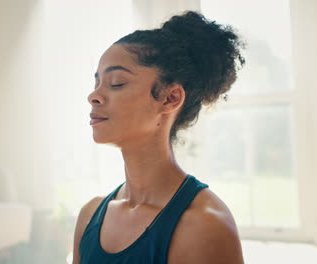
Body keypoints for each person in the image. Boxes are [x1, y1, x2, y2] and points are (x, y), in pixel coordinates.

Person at [72, 10, 245, 264]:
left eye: (117, 82)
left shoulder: (204, 226)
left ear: (170, 98)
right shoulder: (90, 215)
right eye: (97, 82)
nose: (94, 96)